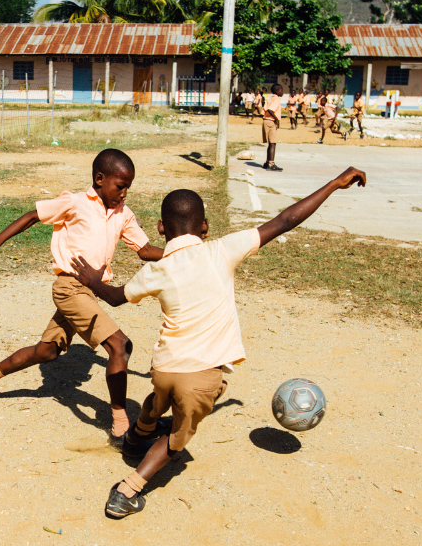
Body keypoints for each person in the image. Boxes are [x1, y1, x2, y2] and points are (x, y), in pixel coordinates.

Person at [66, 168, 368, 519]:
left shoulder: (157, 269)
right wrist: (332, 183)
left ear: (162, 229)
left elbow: (117, 298)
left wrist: (92, 279)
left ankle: (136, 437)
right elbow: (286, 220)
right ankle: (127, 491)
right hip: (200, 376)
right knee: (177, 438)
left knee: (158, 399)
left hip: (163, 369)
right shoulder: (222, 250)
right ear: (205, 226)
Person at [0, 149, 164, 443]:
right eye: (121, 186)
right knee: (120, 347)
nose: (125, 193)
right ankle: (122, 426)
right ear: (99, 179)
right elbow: (33, 216)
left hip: (90, 292)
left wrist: (185, 249)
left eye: (129, 187)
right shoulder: (75, 202)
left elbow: (145, 250)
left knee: (47, 351)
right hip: (69, 288)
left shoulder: (124, 214)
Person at [262, 83, 284, 172]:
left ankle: (267, 163)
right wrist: (277, 119)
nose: (282, 91)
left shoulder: (270, 99)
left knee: (270, 143)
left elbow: (265, 109)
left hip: (266, 121)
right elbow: (271, 110)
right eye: (281, 90)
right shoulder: (277, 99)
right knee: (273, 143)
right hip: (271, 121)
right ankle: (271, 164)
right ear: (277, 91)